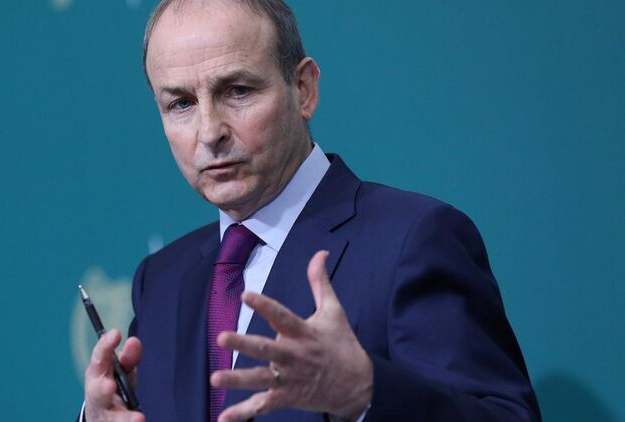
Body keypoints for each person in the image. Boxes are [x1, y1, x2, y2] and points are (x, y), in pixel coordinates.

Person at [80, 0, 541, 421]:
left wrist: (366, 394)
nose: (209, 132)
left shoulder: (412, 241)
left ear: (303, 89)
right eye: (180, 103)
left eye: (237, 90)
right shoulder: (162, 280)